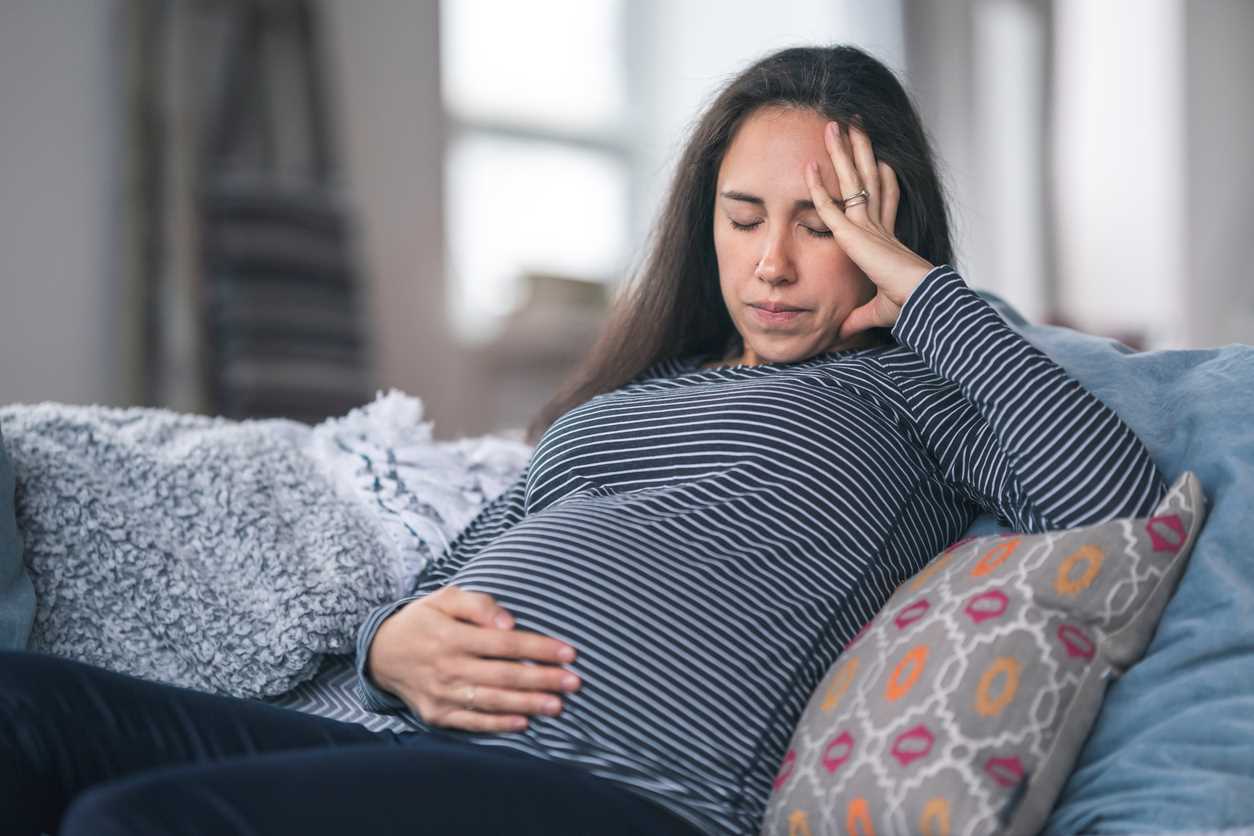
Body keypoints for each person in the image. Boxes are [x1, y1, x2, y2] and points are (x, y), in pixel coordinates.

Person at [1, 44, 1165, 836]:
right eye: (744, 214)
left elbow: (1116, 492)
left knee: (135, 822)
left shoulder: (914, 389)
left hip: (618, 793)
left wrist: (923, 291)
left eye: (823, 226)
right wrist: (389, 644)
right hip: (410, 746)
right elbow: (452, 576)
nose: (770, 262)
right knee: (22, 709)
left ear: (885, 230)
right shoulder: (627, 400)